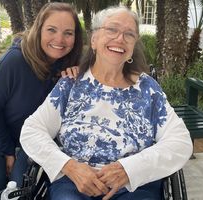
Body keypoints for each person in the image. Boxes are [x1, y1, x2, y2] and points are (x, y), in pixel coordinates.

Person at [20, 6, 193, 200]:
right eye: (112, 29)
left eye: (129, 34)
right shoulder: (70, 85)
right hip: (74, 184)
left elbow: (180, 142)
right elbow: (32, 130)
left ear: (133, 48)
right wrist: (69, 167)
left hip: (134, 187)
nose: (120, 38)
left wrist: (129, 169)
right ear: (94, 40)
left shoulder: (147, 89)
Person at [0, 2, 83, 200]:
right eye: (52, 30)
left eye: (68, 33)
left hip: (33, 138)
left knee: (24, 188)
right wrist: (8, 152)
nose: (60, 39)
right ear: (39, 29)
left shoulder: (69, 67)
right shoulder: (14, 61)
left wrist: (74, 78)